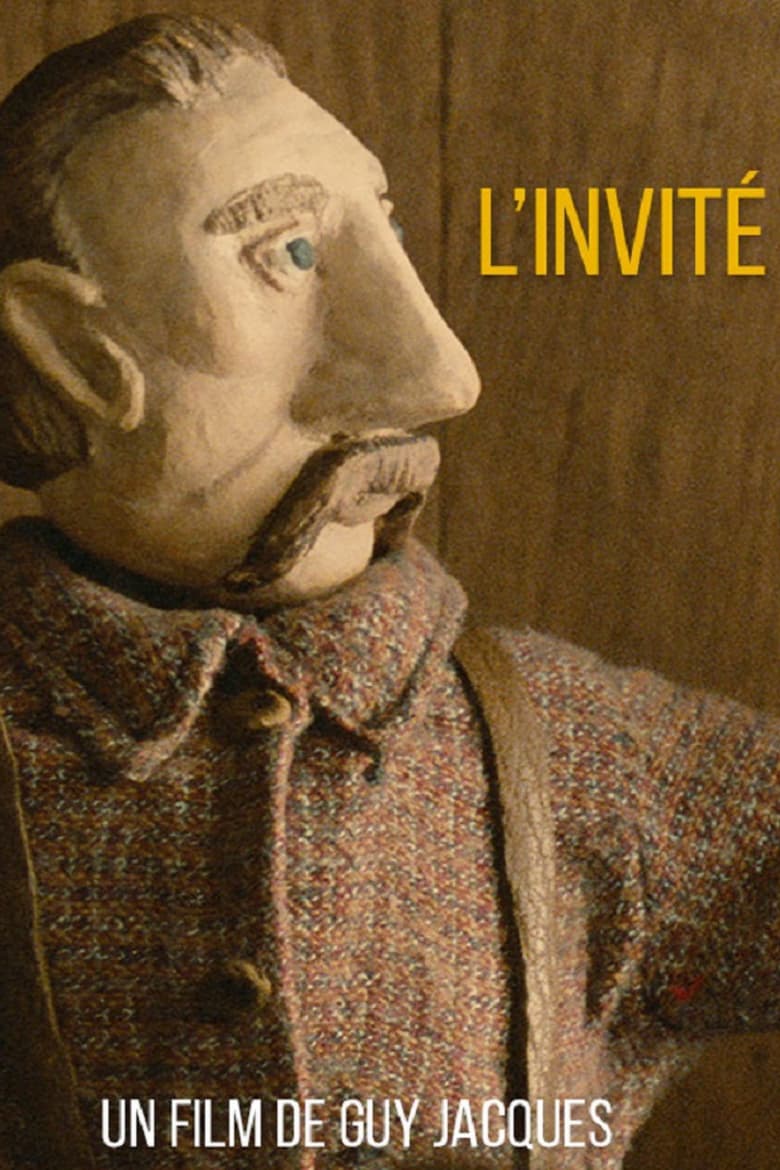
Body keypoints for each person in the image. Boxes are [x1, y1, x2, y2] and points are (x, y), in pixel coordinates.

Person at [0, 15, 776, 1170]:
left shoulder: (575, 755)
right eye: (288, 251)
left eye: (388, 229)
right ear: (65, 346)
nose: (437, 375)